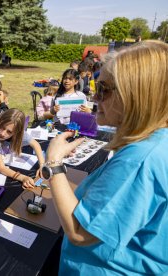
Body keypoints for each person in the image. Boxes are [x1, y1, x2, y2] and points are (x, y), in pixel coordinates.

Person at [44, 40, 168, 274]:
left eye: (103, 90)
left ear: (135, 95)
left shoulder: (140, 159)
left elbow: (80, 232)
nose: (94, 98)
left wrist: (54, 163)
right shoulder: (155, 142)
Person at [0, 109, 45, 189]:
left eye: (9, 132)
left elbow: (35, 144)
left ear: (17, 132)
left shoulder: (19, 133)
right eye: (1, 127)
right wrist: (23, 178)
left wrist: (42, 165)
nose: (2, 133)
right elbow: (1, 168)